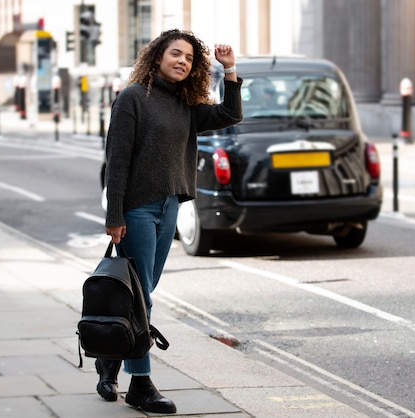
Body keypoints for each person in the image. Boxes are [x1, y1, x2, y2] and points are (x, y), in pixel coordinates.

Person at [100, 29, 243, 414]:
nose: (182, 62)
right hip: (137, 209)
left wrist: (229, 71)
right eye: (175, 54)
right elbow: (117, 160)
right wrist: (114, 215)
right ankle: (140, 385)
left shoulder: (185, 104)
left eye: (189, 59)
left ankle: (110, 358)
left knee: (142, 293)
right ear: (157, 57)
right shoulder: (133, 98)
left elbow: (230, 114)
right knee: (141, 296)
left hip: (169, 208)